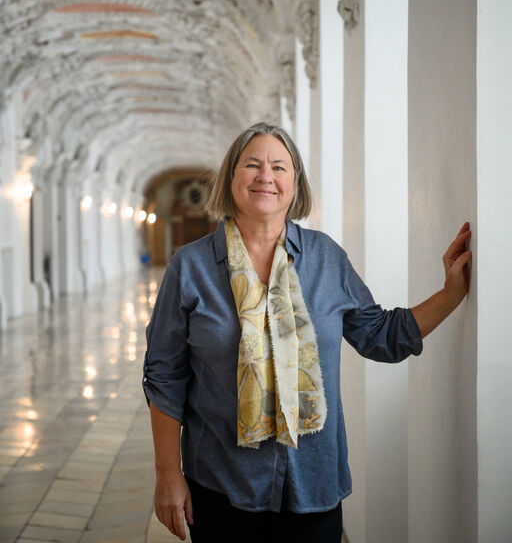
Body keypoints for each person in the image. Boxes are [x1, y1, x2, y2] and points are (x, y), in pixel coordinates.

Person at [143, 122, 471, 543]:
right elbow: (165, 377)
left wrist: (449, 294)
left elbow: (380, 336)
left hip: (313, 484)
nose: (266, 176)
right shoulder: (190, 268)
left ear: (294, 184)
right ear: (231, 177)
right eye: (253, 165)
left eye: (279, 167)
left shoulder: (326, 259)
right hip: (222, 484)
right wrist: (168, 474)